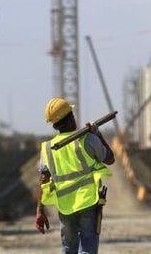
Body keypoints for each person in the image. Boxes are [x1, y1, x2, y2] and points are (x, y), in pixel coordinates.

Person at [35, 97, 115, 254]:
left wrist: (40, 210)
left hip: (65, 206)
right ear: (71, 116)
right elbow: (110, 158)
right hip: (88, 202)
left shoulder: (48, 149)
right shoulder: (88, 139)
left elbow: (43, 180)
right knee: (87, 247)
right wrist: (98, 134)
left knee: (69, 249)